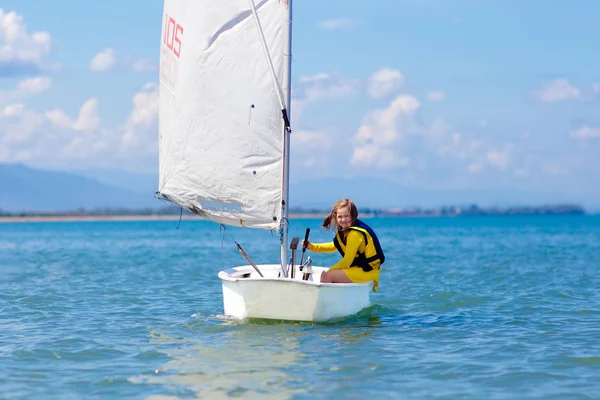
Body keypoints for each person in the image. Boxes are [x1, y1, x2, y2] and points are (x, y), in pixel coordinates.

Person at [302, 198, 385, 292]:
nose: (343, 219)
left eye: (347, 216)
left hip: (367, 272)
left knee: (327, 275)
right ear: (336, 217)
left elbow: (348, 260)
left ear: (353, 216)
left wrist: (330, 271)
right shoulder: (345, 232)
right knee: (329, 274)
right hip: (361, 269)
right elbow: (334, 246)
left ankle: (325, 304)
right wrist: (312, 247)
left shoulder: (354, 234)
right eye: (340, 217)